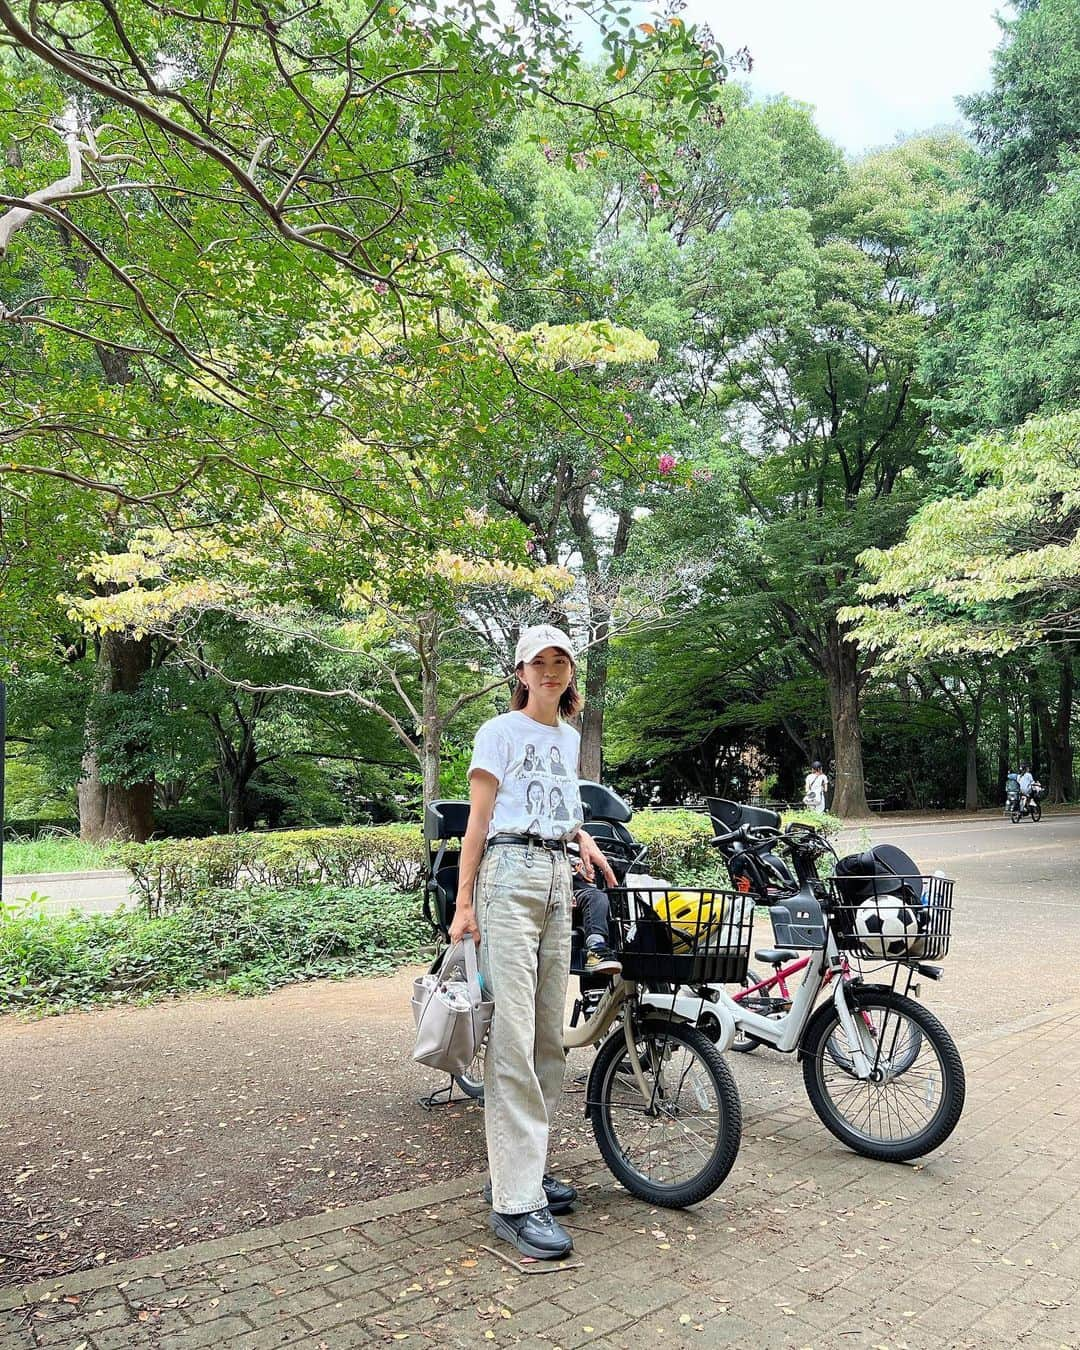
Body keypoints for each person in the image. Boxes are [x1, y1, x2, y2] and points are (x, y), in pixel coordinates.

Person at [450, 624, 616, 1261]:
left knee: (550, 1036)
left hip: (555, 878)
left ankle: (527, 1166)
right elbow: (480, 821)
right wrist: (464, 904)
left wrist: (584, 840)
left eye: (560, 662)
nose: (550, 672)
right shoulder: (498, 731)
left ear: (570, 671)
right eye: (538, 662)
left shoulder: (566, 737)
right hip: (509, 876)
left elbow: (559, 804)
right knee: (515, 1036)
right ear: (520, 672)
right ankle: (514, 1201)